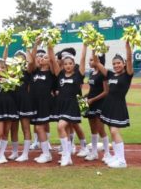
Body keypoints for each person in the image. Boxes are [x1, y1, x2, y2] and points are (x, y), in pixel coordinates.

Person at [95, 40, 134, 168]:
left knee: (114, 131)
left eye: (118, 63)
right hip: (108, 105)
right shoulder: (110, 74)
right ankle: (117, 156)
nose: (116, 65)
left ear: (123, 64)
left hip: (118, 105)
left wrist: (127, 46)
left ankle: (122, 161)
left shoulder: (127, 75)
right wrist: (94, 47)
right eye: (114, 64)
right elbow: (97, 63)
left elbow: (129, 58)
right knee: (112, 131)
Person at [51, 44, 87, 167]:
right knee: (65, 129)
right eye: (66, 64)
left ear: (74, 64)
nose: (68, 66)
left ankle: (67, 155)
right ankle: (67, 157)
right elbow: (52, 59)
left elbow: (83, 59)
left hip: (73, 104)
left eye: (70, 63)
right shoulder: (60, 74)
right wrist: (50, 45)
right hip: (62, 104)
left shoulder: (78, 74)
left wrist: (85, 46)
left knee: (61, 126)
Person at [29, 45, 58, 164]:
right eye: (40, 57)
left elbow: (53, 59)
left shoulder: (51, 73)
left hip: (45, 103)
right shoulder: (34, 71)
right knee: (39, 127)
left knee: (39, 127)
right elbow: (31, 61)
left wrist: (49, 45)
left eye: (45, 57)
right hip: (35, 103)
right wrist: (35, 45)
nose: (41, 58)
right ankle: (45, 153)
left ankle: (46, 154)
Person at [83, 51, 108, 162]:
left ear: (98, 60)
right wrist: (86, 96)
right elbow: (92, 89)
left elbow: (106, 91)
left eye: (92, 59)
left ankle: (107, 154)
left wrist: (92, 99)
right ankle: (94, 152)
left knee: (101, 129)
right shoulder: (91, 73)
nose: (89, 62)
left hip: (100, 103)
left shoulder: (103, 73)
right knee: (93, 129)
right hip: (90, 103)